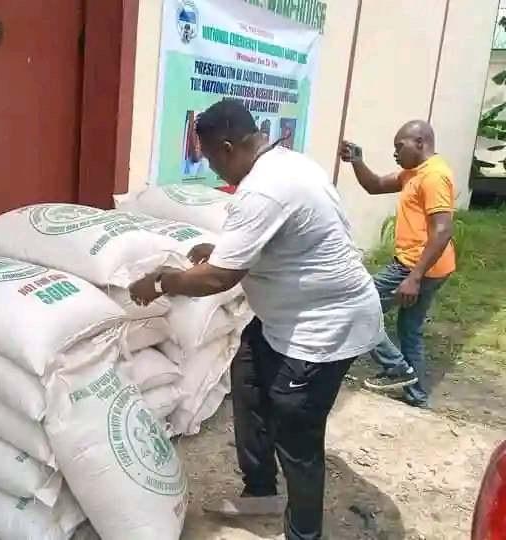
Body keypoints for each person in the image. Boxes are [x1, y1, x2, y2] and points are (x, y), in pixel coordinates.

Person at [129, 99, 383, 540]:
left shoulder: (263, 188)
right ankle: (262, 490)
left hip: (323, 328)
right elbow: (271, 240)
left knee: (296, 431)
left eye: (210, 158)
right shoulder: (286, 165)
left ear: (227, 147)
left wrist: (162, 282)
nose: (212, 170)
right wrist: (221, 251)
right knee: (246, 377)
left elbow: (219, 280)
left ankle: (303, 533)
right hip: (283, 320)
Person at [340, 121, 455, 407]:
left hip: (415, 265)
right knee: (409, 328)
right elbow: (375, 184)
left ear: (420, 142)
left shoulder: (434, 176)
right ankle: (416, 395)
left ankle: (397, 368)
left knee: (358, 307)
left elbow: (443, 229)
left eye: (398, 146)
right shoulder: (413, 173)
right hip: (432, 266)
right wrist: (357, 161)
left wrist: (414, 277)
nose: (395, 153)